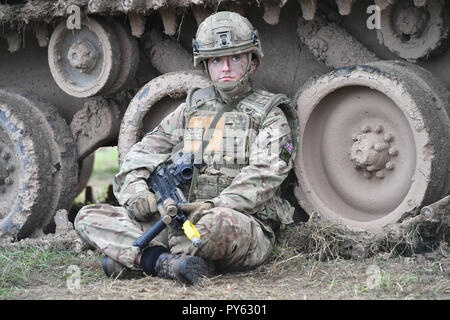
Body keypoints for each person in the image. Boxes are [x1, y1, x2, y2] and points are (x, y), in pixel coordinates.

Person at [74, 11, 298, 285]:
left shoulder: (271, 115)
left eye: (235, 58)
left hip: (234, 222)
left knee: (212, 227)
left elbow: (264, 176)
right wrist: (137, 194)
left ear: (252, 63)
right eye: (216, 60)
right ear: (205, 66)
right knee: (88, 216)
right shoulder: (191, 110)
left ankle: (140, 258)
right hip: (174, 219)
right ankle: (165, 262)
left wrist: (211, 206)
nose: (225, 68)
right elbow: (140, 155)